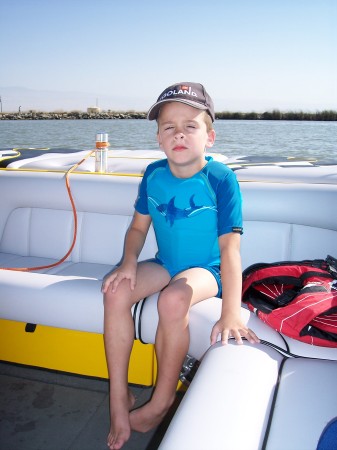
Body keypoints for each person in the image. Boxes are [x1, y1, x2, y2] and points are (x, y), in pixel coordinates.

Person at [102, 82, 259, 450]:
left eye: (190, 125)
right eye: (169, 126)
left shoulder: (221, 179)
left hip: (208, 270)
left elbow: (231, 251)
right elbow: (138, 227)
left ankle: (161, 401)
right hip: (166, 262)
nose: (179, 134)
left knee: (172, 301)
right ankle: (118, 396)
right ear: (158, 138)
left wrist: (231, 312)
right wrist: (128, 263)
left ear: (210, 136)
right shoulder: (154, 174)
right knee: (115, 291)